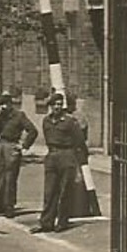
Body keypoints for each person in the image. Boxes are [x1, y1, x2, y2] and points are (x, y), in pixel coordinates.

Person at [32, 92, 85, 234]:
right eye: (55, 104)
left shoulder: (69, 122)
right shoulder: (46, 121)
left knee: (65, 191)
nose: (57, 107)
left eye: (60, 104)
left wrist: (78, 162)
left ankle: (62, 221)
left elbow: (79, 140)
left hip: (66, 156)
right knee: (49, 191)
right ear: (50, 106)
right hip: (52, 156)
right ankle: (46, 222)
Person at [0, 88, 38, 218]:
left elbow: (32, 131)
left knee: (10, 178)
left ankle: (9, 206)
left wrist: (23, 146)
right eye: (2, 103)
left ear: (11, 104)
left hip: (12, 145)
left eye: (7, 103)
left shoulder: (19, 115)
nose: (4, 106)